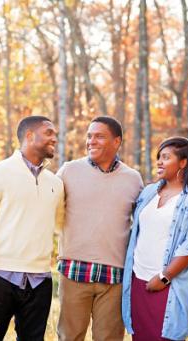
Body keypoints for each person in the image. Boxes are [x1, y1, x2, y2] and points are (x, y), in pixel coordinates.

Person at [0, 116, 65, 340]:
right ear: (29, 136)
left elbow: (62, 226)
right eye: (49, 133)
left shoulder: (55, 183)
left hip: (40, 280)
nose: (55, 138)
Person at [56, 116, 144, 341]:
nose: (91, 141)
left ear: (117, 142)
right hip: (74, 271)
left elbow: (144, 226)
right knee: (69, 337)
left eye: (99, 136)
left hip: (114, 277)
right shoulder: (68, 171)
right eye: (89, 136)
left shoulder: (133, 179)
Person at [121, 137, 188, 340]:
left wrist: (164, 277)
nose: (159, 162)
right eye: (158, 157)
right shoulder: (148, 193)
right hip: (137, 281)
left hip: (168, 285)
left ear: (183, 162)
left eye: (166, 157)